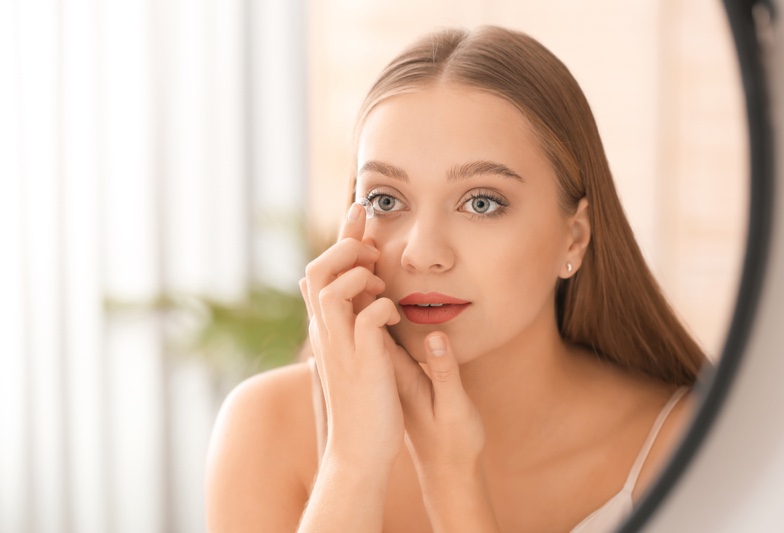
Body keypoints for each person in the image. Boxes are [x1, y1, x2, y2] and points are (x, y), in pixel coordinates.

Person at [205, 25, 708, 533]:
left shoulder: (686, 445)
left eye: (482, 203)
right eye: (385, 200)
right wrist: (352, 462)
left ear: (574, 238)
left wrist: (452, 483)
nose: (423, 254)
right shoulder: (268, 426)